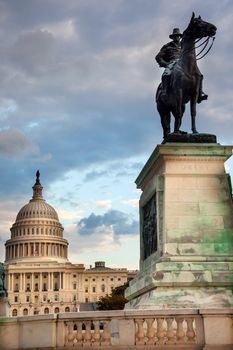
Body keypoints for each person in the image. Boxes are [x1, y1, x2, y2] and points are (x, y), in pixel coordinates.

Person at [155, 27, 208, 103]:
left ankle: (199, 94)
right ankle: (165, 92)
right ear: (172, 37)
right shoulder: (167, 46)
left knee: (199, 75)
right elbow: (158, 57)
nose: (177, 37)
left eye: (178, 36)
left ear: (180, 37)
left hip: (184, 63)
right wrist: (166, 64)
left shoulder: (184, 45)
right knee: (166, 74)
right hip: (172, 62)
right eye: (175, 36)